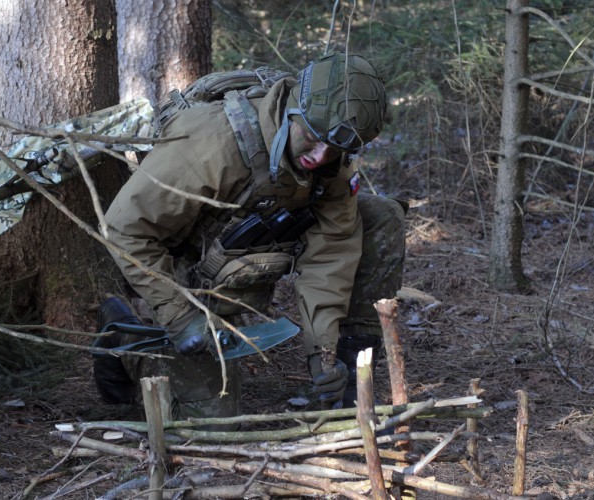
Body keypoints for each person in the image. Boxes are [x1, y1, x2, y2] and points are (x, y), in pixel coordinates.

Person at [95, 51, 406, 422]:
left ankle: (352, 371)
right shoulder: (211, 143)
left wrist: (322, 355)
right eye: (312, 136)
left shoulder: (330, 163)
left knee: (377, 216)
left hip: (246, 260)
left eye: (335, 148)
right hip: (186, 277)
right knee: (211, 426)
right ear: (294, 109)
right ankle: (126, 338)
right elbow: (123, 227)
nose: (320, 156)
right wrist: (180, 317)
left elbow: (330, 257)